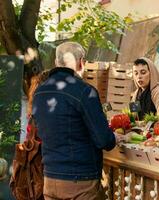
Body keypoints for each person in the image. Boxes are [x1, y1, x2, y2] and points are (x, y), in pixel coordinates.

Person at [32, 42, 121, 199]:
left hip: (49, 178)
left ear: (56, 62)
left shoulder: (39, 92)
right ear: (82, 62)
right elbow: (103, 140)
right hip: (80, 182)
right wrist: (115, 137)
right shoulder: (85, 91)